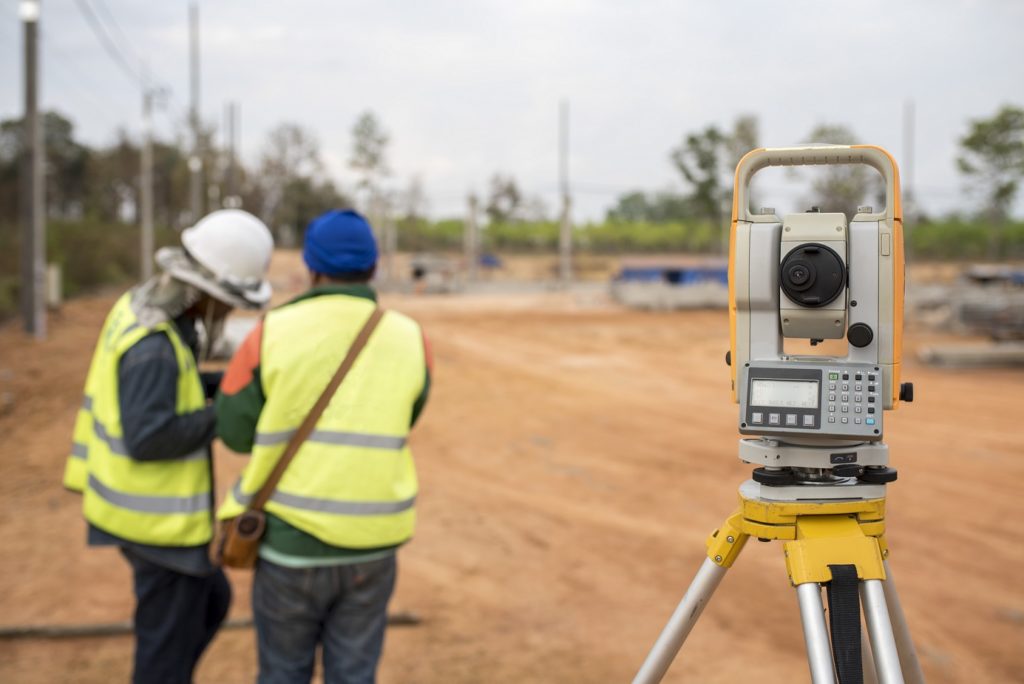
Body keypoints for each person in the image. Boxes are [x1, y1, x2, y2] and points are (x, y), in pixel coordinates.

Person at [215, 209, 431, 684]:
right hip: (373, 549)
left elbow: (232, 431)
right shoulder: (412, 338)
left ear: (311, 268)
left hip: (289, 547)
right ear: (373, 268)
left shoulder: (270, 332)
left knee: (282, 673)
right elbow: (406, 415)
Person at [63, 209, 275, 684]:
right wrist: (227, 413)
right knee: (164, 652)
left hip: (149, 522)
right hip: (157, 530)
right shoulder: (153, 346)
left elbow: (172, 388)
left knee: (210, 603)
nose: (228, 312)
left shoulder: (148, 310)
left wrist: (222, 385)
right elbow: (149, 436)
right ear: (204, 290)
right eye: (227, 301)